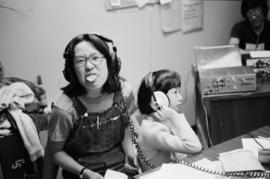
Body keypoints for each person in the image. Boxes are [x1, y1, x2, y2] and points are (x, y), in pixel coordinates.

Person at [43, 33, 139, 179]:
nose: (89, 66)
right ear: (72, 70)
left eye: (95, 58)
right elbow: (54, 152)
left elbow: (126, 125)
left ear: (110, 62)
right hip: (82, 173)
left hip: (121, 171)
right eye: (80, 61)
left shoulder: (124, 91)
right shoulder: (64, 109)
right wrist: (84, 172)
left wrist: (130, 152)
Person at [136, 69, 202, 172]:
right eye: (175, 92)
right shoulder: (153, 130)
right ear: (157, 100)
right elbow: (195, 146)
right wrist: (175, 116)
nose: (180, 98)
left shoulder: (162, 120)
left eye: (179, 91)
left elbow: (182, 156)